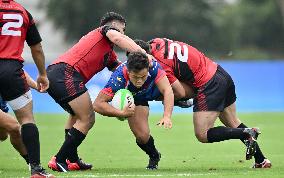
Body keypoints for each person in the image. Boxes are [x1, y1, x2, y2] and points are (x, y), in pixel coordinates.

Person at [135, 38, 271, 168]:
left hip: (209, 83)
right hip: (220, 73)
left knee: (202, 133)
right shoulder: (156, 42)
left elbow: (180, 92)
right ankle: (261, 160)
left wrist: (160, 98)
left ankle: (246, 133)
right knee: (233, 122)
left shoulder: (160, 65)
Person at [46, 12, 152, 172]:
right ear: (113, 26)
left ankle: (71, 159)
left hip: (59, 74)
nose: (123, 34)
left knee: (76, 116)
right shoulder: (105, 30)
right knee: (88, 118)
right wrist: (144, 55)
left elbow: (122, 71)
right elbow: (118, 38)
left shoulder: (109, 53)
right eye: (122, 30)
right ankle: (59, 159)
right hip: (65, 73)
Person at [0, 0, 54, 177]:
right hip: (11, 71)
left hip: (12, 70)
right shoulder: (23, 12)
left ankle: (34, 166)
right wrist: (42, 74)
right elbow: (36, 48)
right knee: (27, 120)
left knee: (8, 131)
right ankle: (37, 169)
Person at [93, 52, 174, 169]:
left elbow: (167, 90)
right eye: (135, 77)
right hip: (134, 99)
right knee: (142, 136)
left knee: (178, 90)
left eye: (143, 76)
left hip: (153, 92)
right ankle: (154, 155)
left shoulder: (154, 67)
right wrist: (121, 113)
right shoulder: (118, 78)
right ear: (128, 71)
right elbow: (97, 104)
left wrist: (167, 116)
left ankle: (180, 100)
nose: (139, 81)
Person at [0, 72, 37, 165]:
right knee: (14, 127)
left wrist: (37, 86)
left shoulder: (7, 61)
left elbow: (17, 70)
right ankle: (32, 163)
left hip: (2, 105)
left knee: (2, 136)